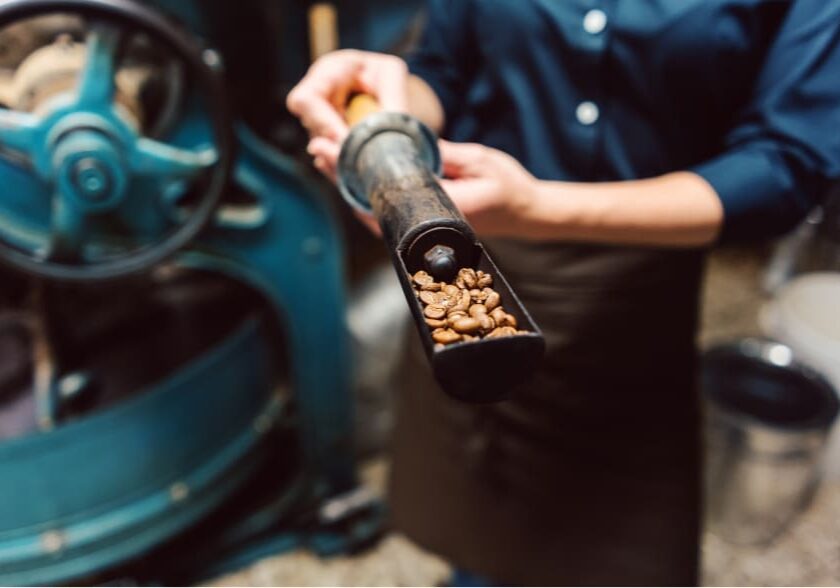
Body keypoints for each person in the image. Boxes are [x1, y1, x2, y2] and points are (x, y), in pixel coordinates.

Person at [286, 1, 840, 584]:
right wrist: (382, 114)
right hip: (474, 255)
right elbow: (443, 72)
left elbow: (786, 166)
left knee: (613, 546)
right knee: (477, 521)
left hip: (636, 283)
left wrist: (539, 208)